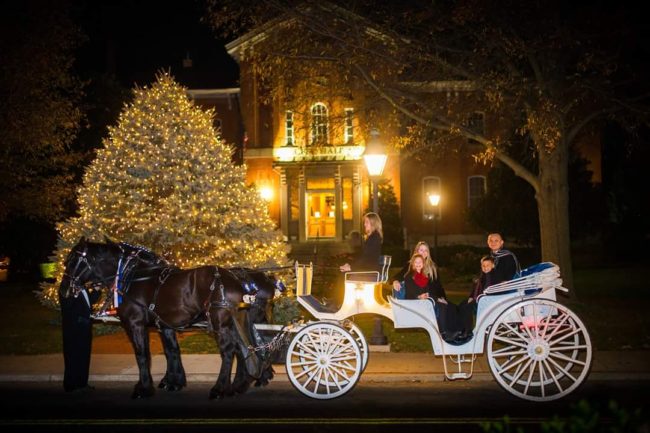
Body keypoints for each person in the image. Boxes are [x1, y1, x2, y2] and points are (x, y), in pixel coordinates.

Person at [59, 285, 100, 392]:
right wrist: (74, 294)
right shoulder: (66, 288)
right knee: (72, 356)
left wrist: (96, 290)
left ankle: (82, 383)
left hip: (84, 328)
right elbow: (67, 307)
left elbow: (88, 302)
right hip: (73, 329)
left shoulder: (82, 288)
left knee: (84, 356)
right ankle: (70, 384)